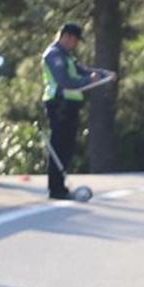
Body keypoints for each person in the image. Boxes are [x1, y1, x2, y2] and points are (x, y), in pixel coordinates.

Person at [41, 23, 114, 199]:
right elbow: (65, 81)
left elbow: (83, 71)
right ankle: (56, 189)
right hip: (59, 105)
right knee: (59, 146)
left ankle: (60, 187)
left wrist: (104, 74)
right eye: (74, 40)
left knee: (67, 147)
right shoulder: (53, 55)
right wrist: (88, 80)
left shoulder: (67, 56)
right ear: (66, 36)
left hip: (69, 105)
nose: (76, 44)